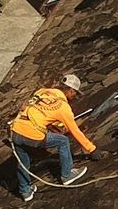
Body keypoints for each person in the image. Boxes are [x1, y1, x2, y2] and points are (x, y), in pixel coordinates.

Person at [9, 73, 94, 202]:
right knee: (63, 141)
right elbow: (75, 131)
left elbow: (38, 111)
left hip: (15, 130)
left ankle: (25, 191)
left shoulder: (42, 92)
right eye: (75, 93)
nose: (74, 97)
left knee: (23, 160)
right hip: (32, 134)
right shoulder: (63, 107)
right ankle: (67, 175)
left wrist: (56, 125)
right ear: (70, 90)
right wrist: (92, 149)